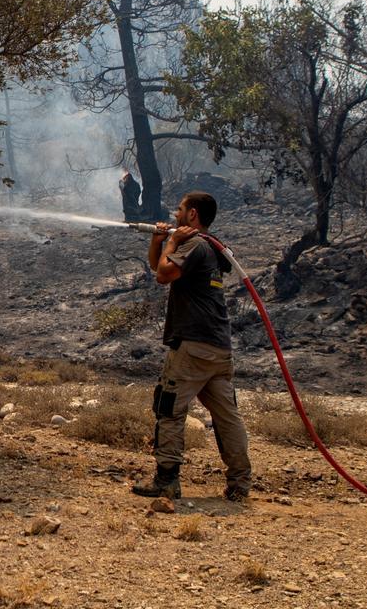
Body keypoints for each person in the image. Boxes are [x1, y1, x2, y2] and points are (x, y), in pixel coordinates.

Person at [132, 191, 252, 502]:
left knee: (170, 409)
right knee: (227, 416)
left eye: (180, 209)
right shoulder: (208, 247)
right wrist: (158, 242)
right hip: (218, 348)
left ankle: (166, 481)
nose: (175, 214)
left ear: (193, 215)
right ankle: (240, 483)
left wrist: (171, 244)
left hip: (193, 346)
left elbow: (163, 275)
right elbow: (162, 267)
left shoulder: (196, 245)